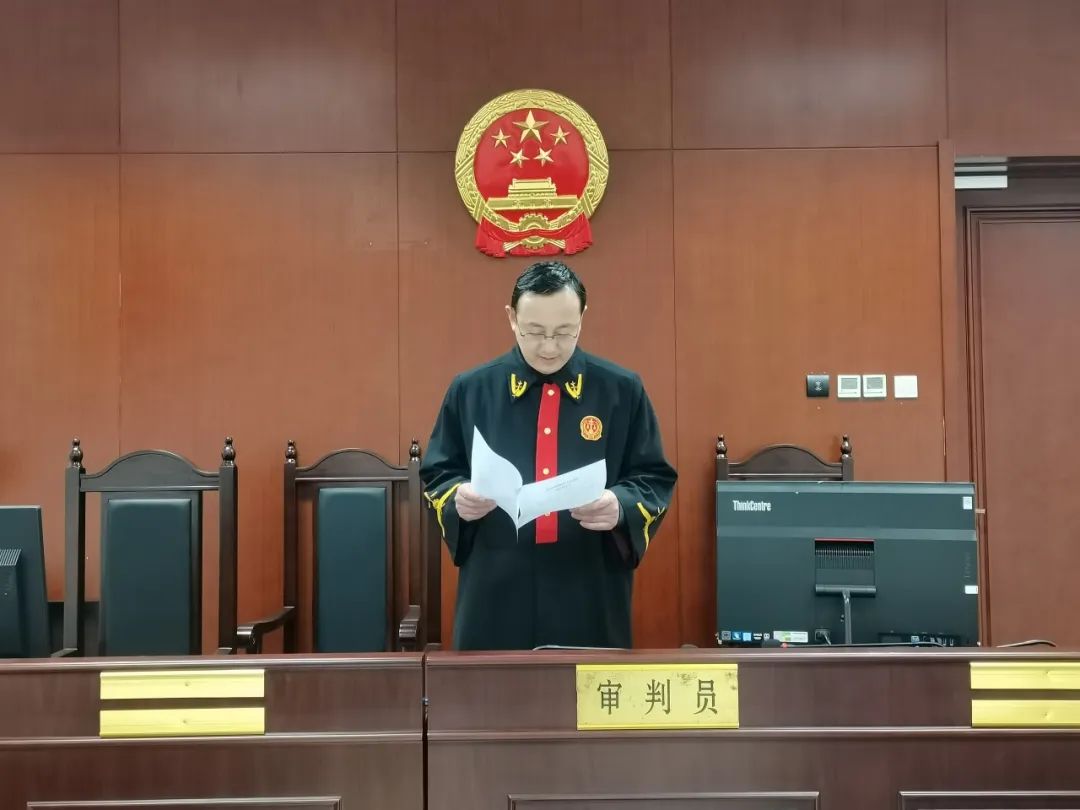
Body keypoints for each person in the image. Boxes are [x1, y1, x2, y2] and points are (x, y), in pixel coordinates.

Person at [420, 260, 677, 650]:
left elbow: (653, 477)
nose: (549, 347)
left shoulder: (621, 390)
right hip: (495, 586)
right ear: (512, 318)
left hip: (590, 584)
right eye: (535, 331)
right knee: (491, 686)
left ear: (583, 318)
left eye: (564, 332)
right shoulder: (471, 389)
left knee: (588, 686)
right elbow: (438, 473)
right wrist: (458, 498)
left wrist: (620, 506)